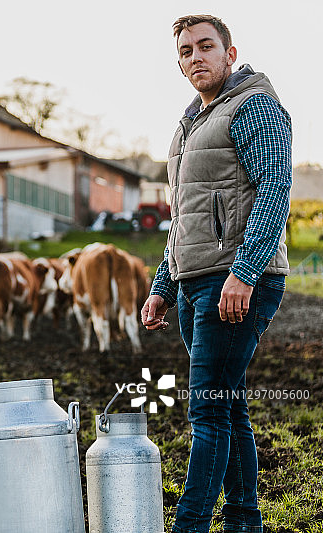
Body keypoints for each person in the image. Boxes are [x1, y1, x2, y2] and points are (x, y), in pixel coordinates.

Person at [141, 14, 291, 533]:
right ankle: (244, 520)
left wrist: (245, 273)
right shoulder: (189, 125)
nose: (195, 58)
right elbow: (183, 218)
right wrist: (163, 283)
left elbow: (275, 192)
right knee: (228, 408)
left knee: (206, 411)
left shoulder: (254, 107)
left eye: (206, 47)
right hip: (195, 282)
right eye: (185, 51)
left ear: (230, 53)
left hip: (235, 282)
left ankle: (191, 524)